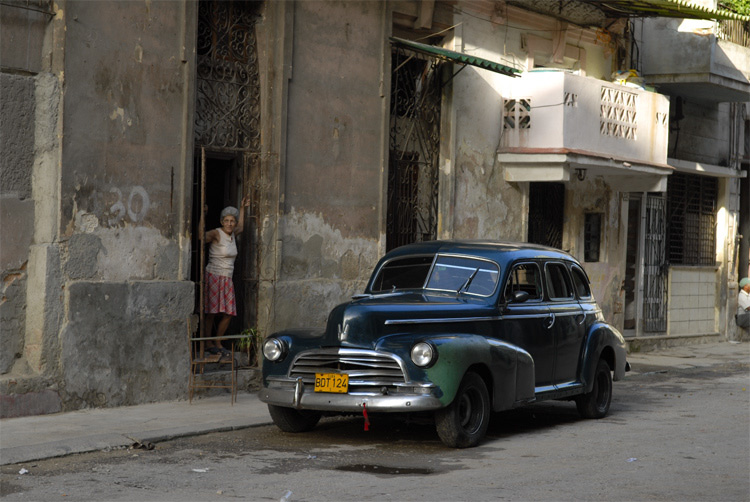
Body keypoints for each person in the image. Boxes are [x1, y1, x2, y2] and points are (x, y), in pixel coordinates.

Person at [204, 196, 250, 358]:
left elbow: (242, 227)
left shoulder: (233, 234)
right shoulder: (217, 233)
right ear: (222, 221)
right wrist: (203, 215)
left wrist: (243, 208)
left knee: (228, 312)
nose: (230, 223)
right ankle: (208, 343)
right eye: (227, 220)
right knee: (212, 312)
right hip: (214, 276)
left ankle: (218, 341)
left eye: (232, 221)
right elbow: (200, 237)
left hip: (227, 278)